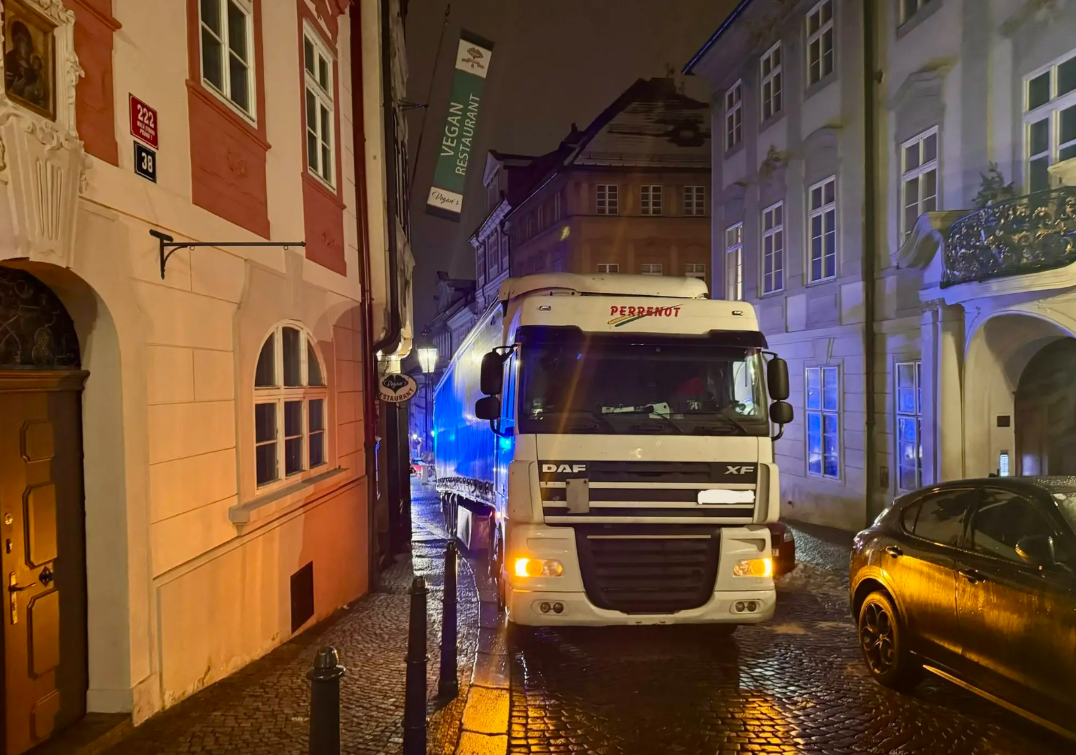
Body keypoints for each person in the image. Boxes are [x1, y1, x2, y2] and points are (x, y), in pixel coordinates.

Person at [5, 21, 48, 109]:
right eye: (18, 39)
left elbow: (42, 96)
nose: (22, 44)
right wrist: (14, 90)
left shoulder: (35, 63)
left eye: (24, 39)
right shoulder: (9, 60)